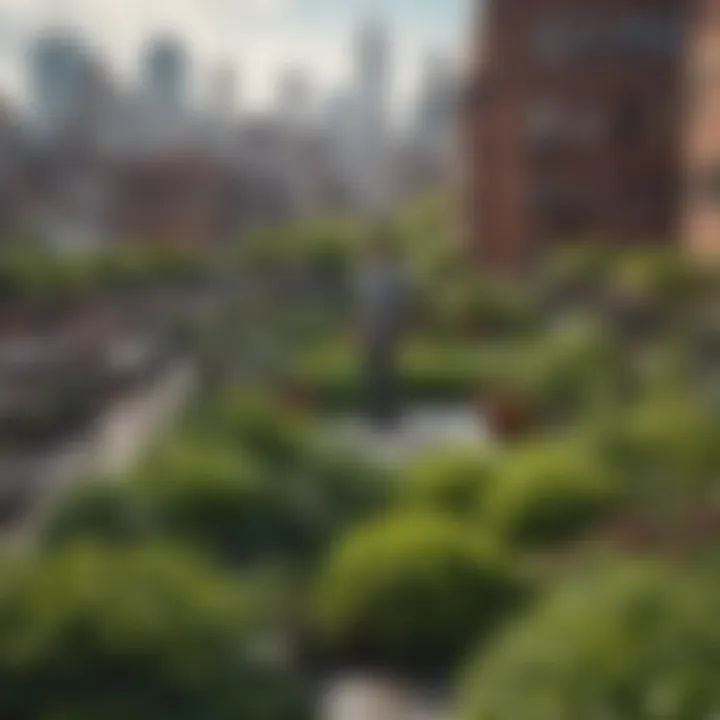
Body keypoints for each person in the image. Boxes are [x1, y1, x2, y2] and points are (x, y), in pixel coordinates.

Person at [356, 228, 411, 428]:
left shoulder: (396, 275)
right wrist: (360, 328)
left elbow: (402, 303)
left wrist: (401, 326)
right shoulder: (366, 275)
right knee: (371, 372)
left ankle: (391, 411)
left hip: (388, 330)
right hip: (371, 330)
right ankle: (374, 411)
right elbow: (362, 305)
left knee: (388, 372)